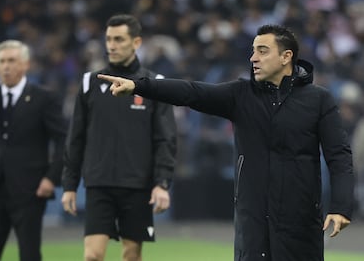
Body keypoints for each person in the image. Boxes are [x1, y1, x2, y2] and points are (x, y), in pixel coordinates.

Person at [98, 24, 354, 261]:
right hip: (252, 225)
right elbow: (191, 92)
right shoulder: (240, 95)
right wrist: (138, 86)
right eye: (253, 51)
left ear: (286, 57)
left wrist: (341, 206)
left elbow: (339, 156)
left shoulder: (319, 100)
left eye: (262, 51)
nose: (253, 58)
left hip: (300, 224)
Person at [61, 14, 177, 261]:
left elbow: (165, 139)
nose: (111, 45)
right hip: (99, 183)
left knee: (131, 256)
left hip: (137, 185)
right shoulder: (88, 83)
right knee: (92, 256)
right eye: (108, 39)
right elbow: (76, 137)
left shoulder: (154, 85)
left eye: (119, 39)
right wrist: (69, 185)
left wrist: (162, 182)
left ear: (136, 43)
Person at [0, 40, 67, 261]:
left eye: (12, 61)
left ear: (25, 64)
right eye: (2, 61)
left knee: (29, 254)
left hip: (30, 191)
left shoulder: (44, 98)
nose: (6, 66)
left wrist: (51, 178)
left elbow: (64, 141)